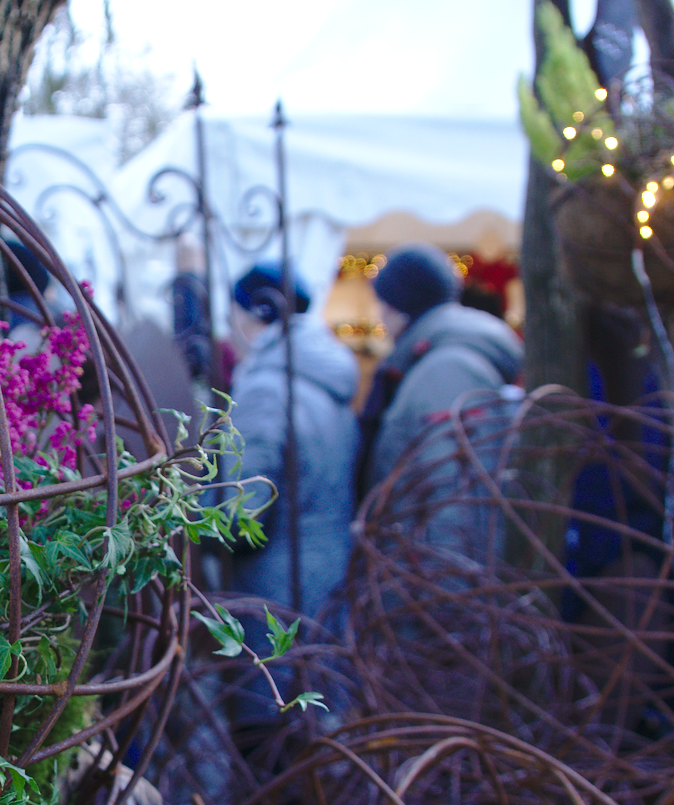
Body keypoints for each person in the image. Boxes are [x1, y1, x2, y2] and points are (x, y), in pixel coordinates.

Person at [358, 242, 525, 568]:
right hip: (422, 569)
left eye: (383, 303)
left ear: (401, 306)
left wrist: (444, 596)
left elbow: (453, 498)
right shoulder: (434, 361)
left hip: (432, 582)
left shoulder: (446, 371)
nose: (379, 316)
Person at [218, 260, 359, 634]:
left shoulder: (265, 390)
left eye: (232, 314)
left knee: (273, 690)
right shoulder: (325, 377)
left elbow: (241, 518)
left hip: (275, 589)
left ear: (254, 314)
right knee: (323, 684)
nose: (229, 329)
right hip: (330, 571)